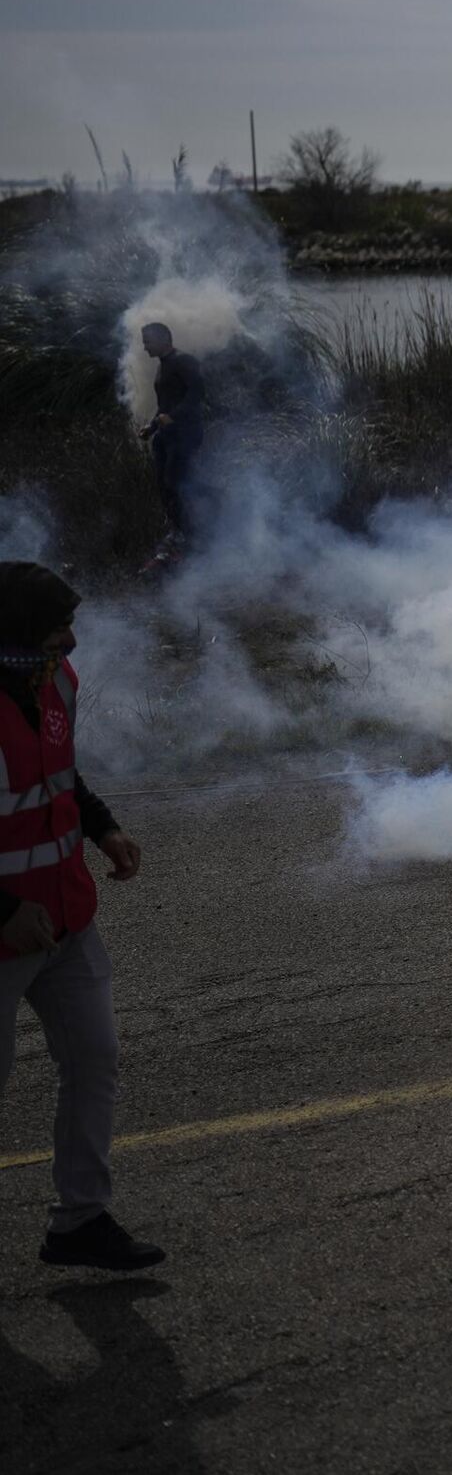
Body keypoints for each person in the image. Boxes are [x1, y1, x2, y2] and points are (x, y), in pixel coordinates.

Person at [0, 562, 164, 1272]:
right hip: (6, 932)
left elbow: (59, 773)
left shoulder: (55, 680)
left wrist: (103, 827)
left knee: (94, 1058)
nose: (70, 641)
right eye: (56, 628)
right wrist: (5, 912)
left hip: (65, 916)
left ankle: (81, 1221)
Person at [138, 322, 206, 550]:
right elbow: (164, 406)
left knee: (175, 483)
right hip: (165, 435)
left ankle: (191, 534)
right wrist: (151, 427)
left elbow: (197, 392)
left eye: (147, 341)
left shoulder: (183, 360)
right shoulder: (162, 366)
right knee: (163, 486)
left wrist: (174, 417)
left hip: (185, 433)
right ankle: (178, 532)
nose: (144, 347)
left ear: (163, 339)